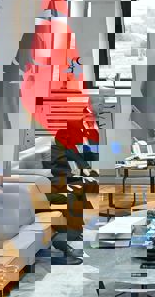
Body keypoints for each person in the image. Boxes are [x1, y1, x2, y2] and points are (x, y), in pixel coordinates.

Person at [44, 109, 99, 265]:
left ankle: (75, 232)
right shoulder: (54, 143)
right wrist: (72, 180)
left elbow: (75, 156)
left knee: (86, 186)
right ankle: (69, 235)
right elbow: (54, 170)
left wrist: (86, 169)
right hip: (53, 182)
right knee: (74, 192)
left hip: (64, 178)